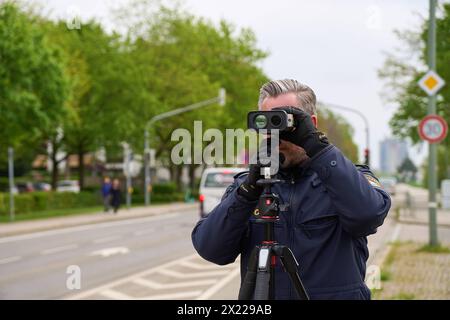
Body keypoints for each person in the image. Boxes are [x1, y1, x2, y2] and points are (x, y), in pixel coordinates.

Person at [191, 79, 391, 300]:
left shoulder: (348, 179)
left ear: (310, 123)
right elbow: (211, 249)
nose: (275, 134)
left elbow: (369, 216)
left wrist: (316, 146)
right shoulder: (249, 187)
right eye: (268, 122)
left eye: (285, 123)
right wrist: (248, 191)